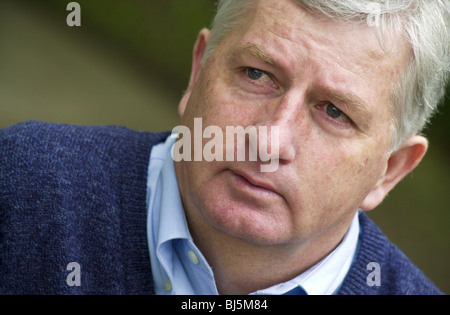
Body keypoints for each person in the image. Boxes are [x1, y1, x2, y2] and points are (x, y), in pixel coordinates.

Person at [0, 0, 449, 295]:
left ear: (389, 171)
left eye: (334, 112)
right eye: (257, 75)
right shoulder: (22, 185)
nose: (271, 140)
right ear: (198, 71)